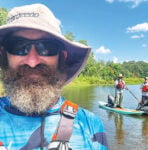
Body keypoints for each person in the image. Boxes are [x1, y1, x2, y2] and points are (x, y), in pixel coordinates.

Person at [0, 3, 107, 150]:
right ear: (3, 55)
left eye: (46, 47)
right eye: (18, 46)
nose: (32, 62)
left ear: (61, 58)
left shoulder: (90, 124)